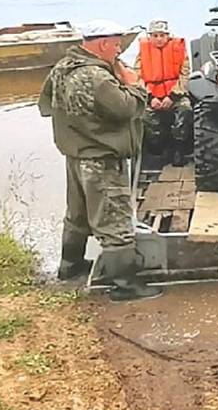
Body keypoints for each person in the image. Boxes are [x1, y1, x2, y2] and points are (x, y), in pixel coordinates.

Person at [38, 18, 163, 302]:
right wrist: (133, 85)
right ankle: (124, 285)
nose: (119, 50)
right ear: (103, 44)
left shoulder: (62, 68)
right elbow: (128, 109)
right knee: (115, 222)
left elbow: (45, 106)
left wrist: (80, 124)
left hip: (75, 156)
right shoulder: (98, 78)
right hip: (102, 160)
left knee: (77, 216)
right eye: (116, 45)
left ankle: (70, 267)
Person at [133, 19, 193, 166]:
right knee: (143, 115)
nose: (159, 39)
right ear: (150, 37)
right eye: (155, 35)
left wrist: (172, 96)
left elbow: (185, 75)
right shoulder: (142, 53)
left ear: (168, 36)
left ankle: (179, 147)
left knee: (185, 109)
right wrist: (150, 97)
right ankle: (156, 147)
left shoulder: (179, 51)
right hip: (151, 95)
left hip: (175, 94)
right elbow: (137, 77)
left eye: (162, 35)